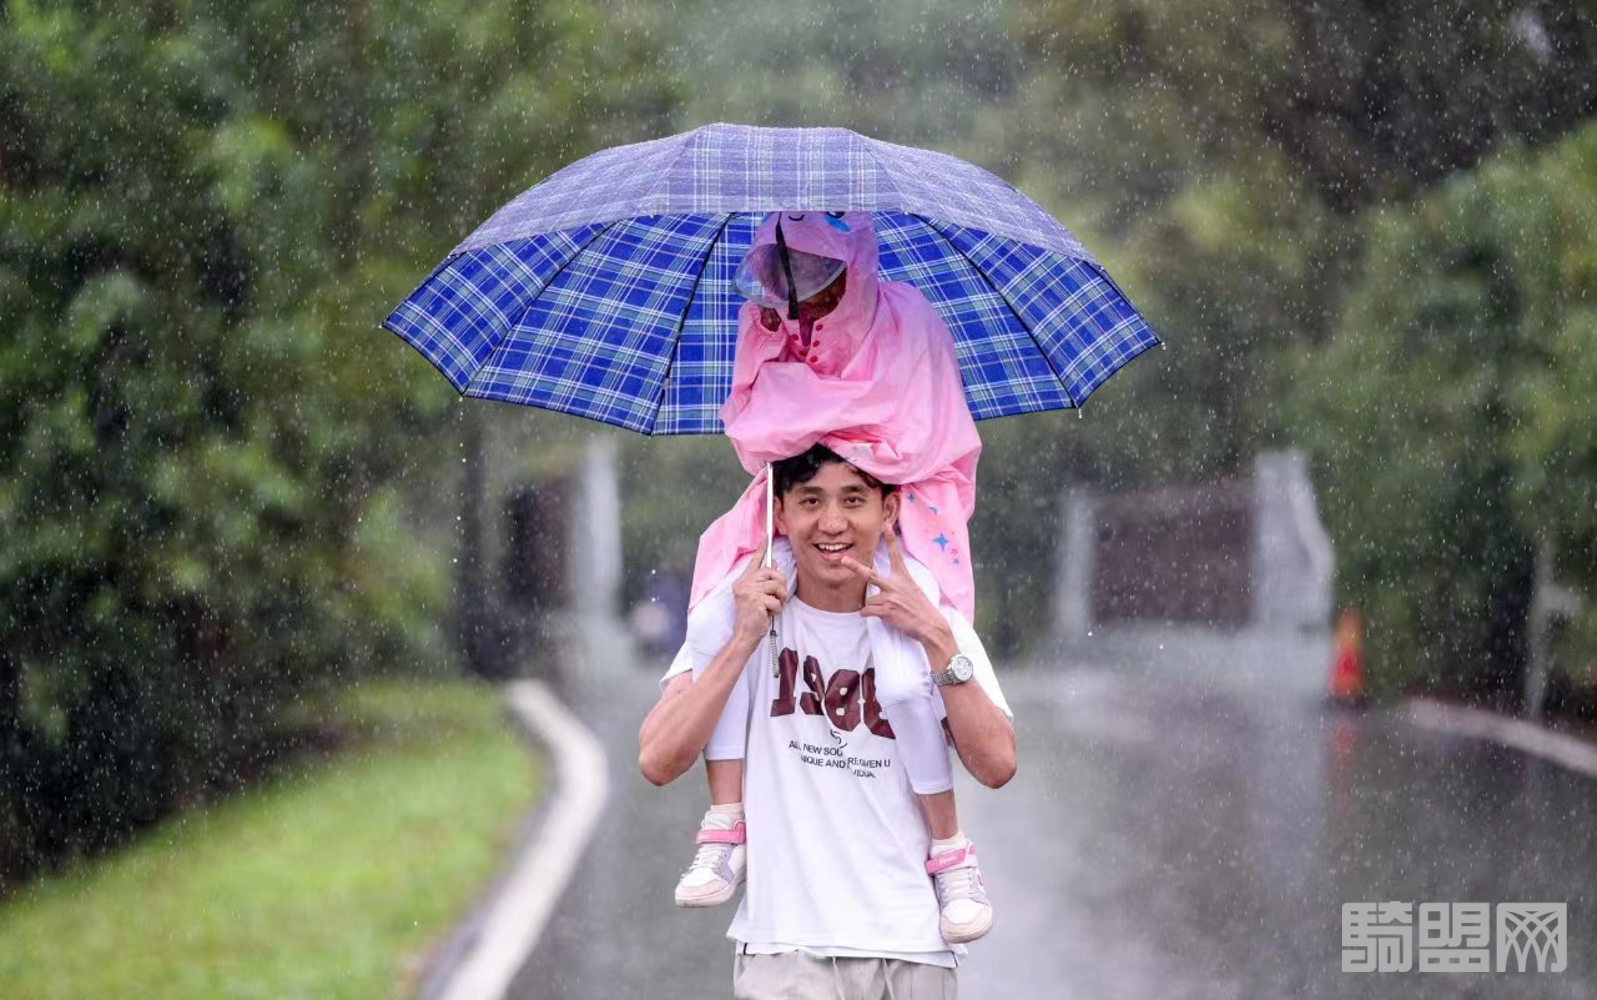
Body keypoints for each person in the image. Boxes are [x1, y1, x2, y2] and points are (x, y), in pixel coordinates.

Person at [671, 212, 993, 940]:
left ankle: (948, 850)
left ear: (854, 268)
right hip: (789, 512)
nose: (800, 299)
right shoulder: (767, 325)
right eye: (782, 279)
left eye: (818, 279)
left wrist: (826, 441)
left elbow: (917, 434)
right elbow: (756, 435)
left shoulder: (908, 320)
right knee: (716, 623)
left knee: (907, 677)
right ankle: (725, 825)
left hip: (898, 516)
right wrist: (814, 446)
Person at [639, 446, 1016, 999]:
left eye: (854, 500)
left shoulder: (933, 619)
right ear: (781, 514)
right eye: (811, 500)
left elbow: (998, 763)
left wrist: (935, 638)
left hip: (912, 950)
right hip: (784, 951)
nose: (832, 523)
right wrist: (744, 640)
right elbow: (657, 757)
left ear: (888, 511)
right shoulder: (742, 612)